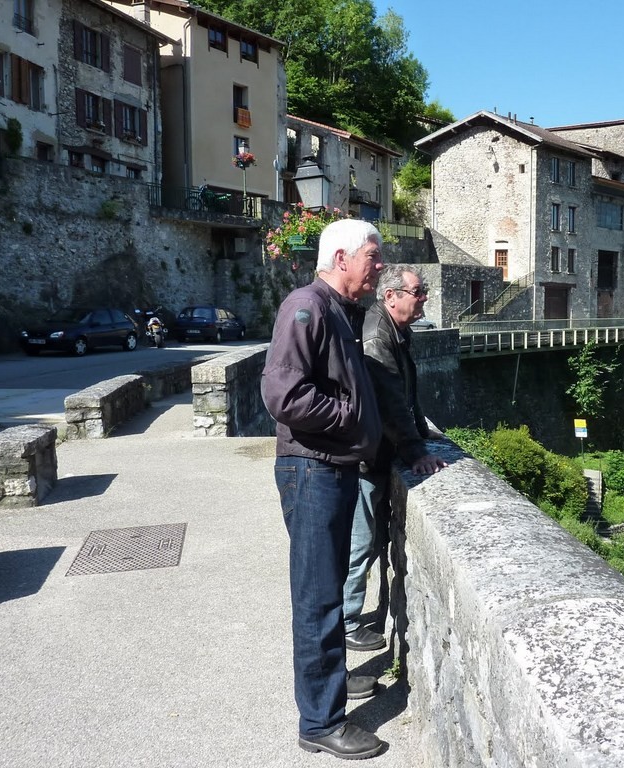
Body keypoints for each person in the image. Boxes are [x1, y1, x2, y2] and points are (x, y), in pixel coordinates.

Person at [261, 218, 386, 760]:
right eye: (373, 257)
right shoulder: (305, 306)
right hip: (312, 470)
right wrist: (349, 415)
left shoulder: (339, 312)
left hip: (328, 468)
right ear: (341, 258)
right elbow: (283, 395)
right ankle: (319, 722)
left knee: (328, 593)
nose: (378, 267)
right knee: (316, 600)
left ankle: (330, 689)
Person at [343, 265, 448, 652]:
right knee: (360, 543)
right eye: (417, 292)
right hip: (365, 459)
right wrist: (416, 451)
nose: (424, 299)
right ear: (391, 296)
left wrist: (421, 428)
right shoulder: (377, 336)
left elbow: (406, 392)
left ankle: (348, 616)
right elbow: (389, 401)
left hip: (374, 454)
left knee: (366, 542)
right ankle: (347, 623)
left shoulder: (393, 329)